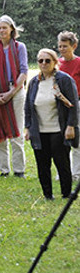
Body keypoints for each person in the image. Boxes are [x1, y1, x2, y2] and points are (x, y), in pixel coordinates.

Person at [24, 49, 78, 200]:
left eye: (47, 60)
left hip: (58, 130)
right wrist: (27, 127)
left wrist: (71, 126)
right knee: (42, 165)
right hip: (39, 131)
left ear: (55, 62)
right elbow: (28, 106)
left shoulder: (64, 80)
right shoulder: (34, 82)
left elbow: (73, 104)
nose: (43, 64)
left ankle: (66, 194)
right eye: (40, 61)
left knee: (62, 164)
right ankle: (48, 195)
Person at [0, 15, 27, 178]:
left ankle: (19, 170)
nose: (2, 31)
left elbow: (23, 72)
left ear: (11, 29)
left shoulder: (19, 47)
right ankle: (4, 170)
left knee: (16, 132)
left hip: (15, 92)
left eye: (4, 27)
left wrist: (11, 92)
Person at [57, 31, 80, 181]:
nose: (62, 49)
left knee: (76, 140)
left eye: (65, 46)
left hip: (77, 102)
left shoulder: (78, 63)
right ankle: (63, 172)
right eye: (60, 46)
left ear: (74, 46)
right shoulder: (57, 63)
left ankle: (76, 173)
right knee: (61, 140)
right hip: (60, 104)